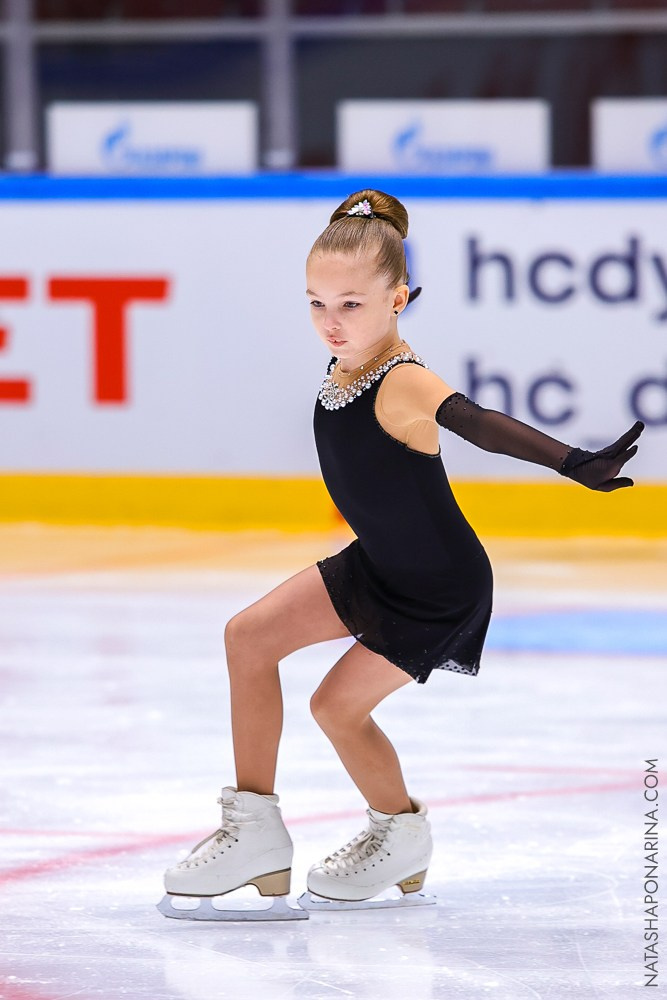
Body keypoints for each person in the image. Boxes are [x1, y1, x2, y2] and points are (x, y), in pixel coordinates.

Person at [160, 188, 643, 914]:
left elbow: (477, 422)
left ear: (398, 300)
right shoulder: (346, 363)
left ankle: (400, 835)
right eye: (317, 304)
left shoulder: (403, 377)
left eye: (351, 304)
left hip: (437, 586)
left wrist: (571, 461)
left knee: (335, 708)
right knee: (248, 637)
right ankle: (254, 830)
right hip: (378, 563)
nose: (331, 321)